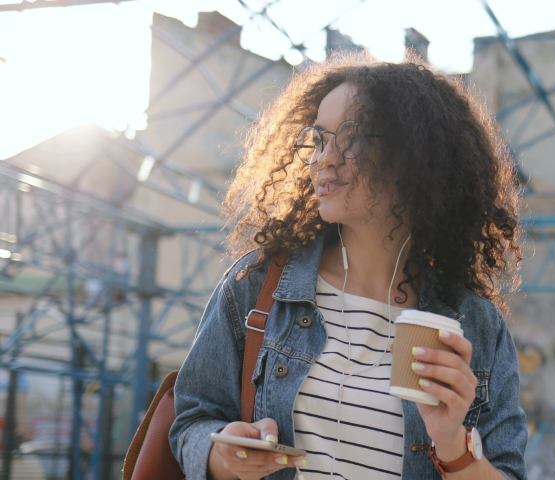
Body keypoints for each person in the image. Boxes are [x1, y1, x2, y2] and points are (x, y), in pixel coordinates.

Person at [169, 53, 528, 480]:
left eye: (351, 139)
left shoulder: (476, 327)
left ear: (415, 157)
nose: (325, 158)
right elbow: (191, 422)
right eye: (319, 140)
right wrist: (224, 455)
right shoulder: (257, 286)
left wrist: (452, 442)